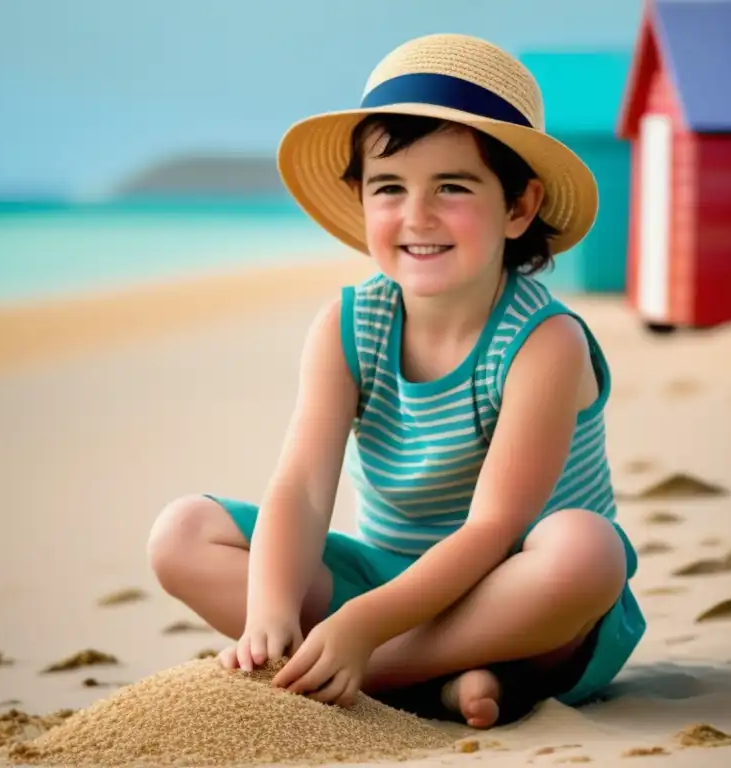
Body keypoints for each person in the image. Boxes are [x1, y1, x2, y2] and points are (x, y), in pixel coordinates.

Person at [147, 32, 646, 729]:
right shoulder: (348, 326)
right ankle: (437, 678)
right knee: (183, 533)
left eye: (452, 186)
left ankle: (365, 673)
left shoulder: (544, 342)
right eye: (390, 187)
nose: (418, 215)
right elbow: (303, 485)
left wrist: (362, 632)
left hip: (511, 595)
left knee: (587, 553)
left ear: (518, 207)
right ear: (360, 200)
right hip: (384, 578)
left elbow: (495, 527)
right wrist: (269, 609)